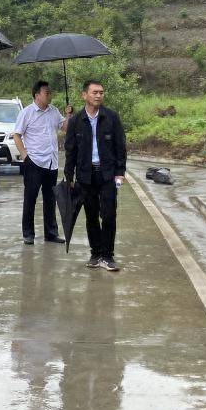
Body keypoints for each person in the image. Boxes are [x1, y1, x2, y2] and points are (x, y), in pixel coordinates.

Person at [63, 79, 127, 272]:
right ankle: (96, 253)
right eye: (94, 92)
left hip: (107, 174)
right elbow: (70, 150)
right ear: (85, 95)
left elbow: (120, 146)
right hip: (85, 175)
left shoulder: (111, 117)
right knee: (91, 216)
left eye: (101, 92)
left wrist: (120, 172)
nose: (99, 95)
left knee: (108, 215)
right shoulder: (76, 121)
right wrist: (69, 177)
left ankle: (108, 256)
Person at [12, 79, 71, 245]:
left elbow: (65, 127)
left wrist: (68, 115)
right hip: (34, 162)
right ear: (37, 95)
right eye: (47, 92)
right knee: (30, 198)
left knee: (50, 199)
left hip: (51, 162)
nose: (50, 95)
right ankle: (28, 234)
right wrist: (25, 156)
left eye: (50, 92)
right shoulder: (27, 113)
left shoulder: (53, 111)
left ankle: (51, 233)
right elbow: (17, 135)